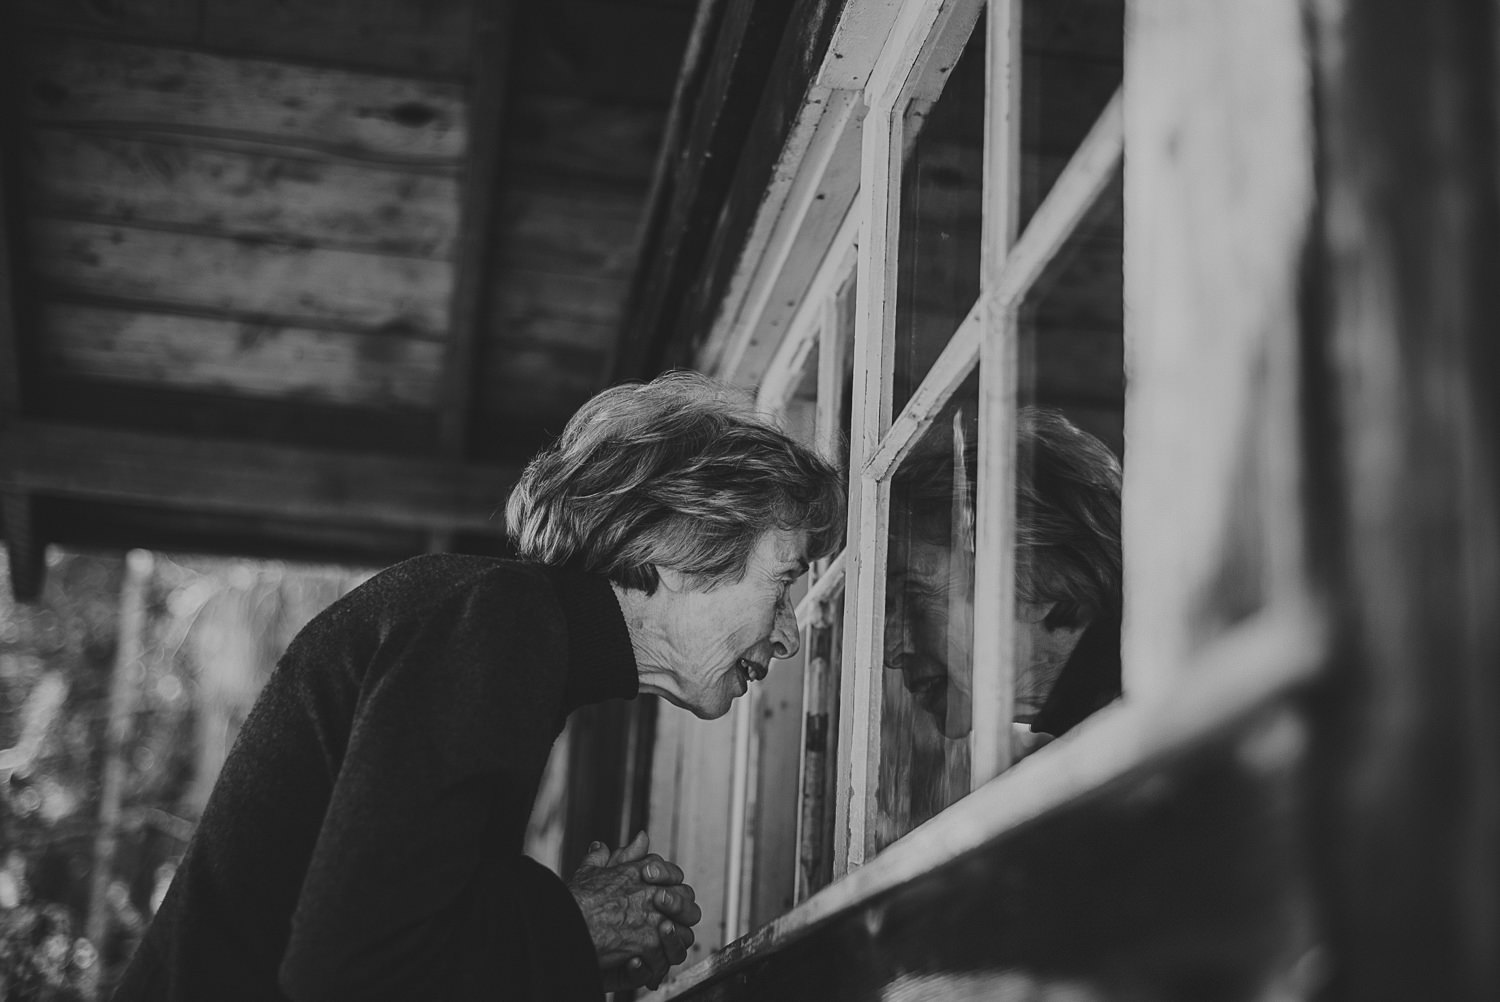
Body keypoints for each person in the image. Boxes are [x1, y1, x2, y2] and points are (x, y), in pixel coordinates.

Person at [112, 371, 845, 1001]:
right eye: (781, 585)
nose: (788, 632)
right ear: (681, 547)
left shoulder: (509, 630)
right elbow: (351, 971)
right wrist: (572, 922)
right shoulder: (501, 620)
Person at [884, 406, 1122, 759]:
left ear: (1038, 572)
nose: (891, 649)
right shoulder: (1095, 731)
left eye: (914, 595)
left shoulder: (1147, 720)